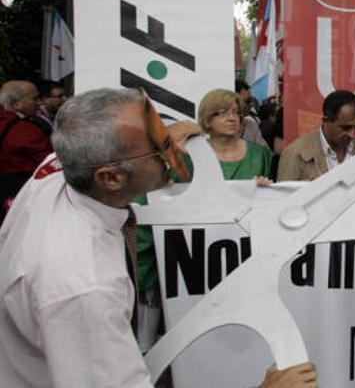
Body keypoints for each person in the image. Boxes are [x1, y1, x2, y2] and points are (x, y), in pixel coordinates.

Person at [0, 88, 317, 387]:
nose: (176, 147)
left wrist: (168, 130)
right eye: (158, 146)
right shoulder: (85, 288)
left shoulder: (60, 168)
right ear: (111, 177)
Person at [277, 90, 355, 181]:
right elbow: (284, 194)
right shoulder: (296, 154)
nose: (352, 134)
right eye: (345, 128)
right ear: (325, 121)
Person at [0, 80, 53, 221]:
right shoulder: (25, 130)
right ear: (16, 103)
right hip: (21, 194)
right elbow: (47, 161)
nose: (39, 103)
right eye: (34, 99)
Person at [198, 89, 273, 181]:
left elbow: (278, 190)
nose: (232, 118)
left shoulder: (260, 154)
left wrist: (264, 189)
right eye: (223, 113)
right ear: (207, 119)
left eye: (236, 112)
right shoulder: (192, 155)